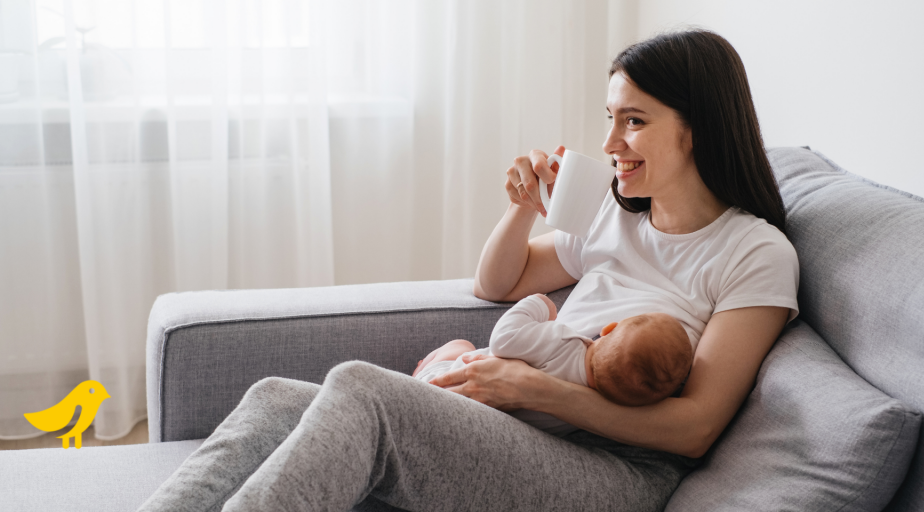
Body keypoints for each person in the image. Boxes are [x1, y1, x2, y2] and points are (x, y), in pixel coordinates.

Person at [137, 29, 799, 512]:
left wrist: (531, 388)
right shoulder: (615, 216)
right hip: (519, 422)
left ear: (697, 129)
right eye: (610, 119)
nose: (609, 144)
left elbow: (695, 427)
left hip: (613, 471)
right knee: (274, 398)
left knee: (364, 390)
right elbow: (497, 285)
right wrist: (523, 210)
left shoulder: (754, 253)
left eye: (634, 121)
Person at [412, 293, 693, 436]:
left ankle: (423, 371)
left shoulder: (561, 343)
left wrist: (538, 304)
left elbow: (503, 339)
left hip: (446, 386)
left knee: (461, 346)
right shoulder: (585, 413)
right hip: (480, 422)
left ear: (608, 329)